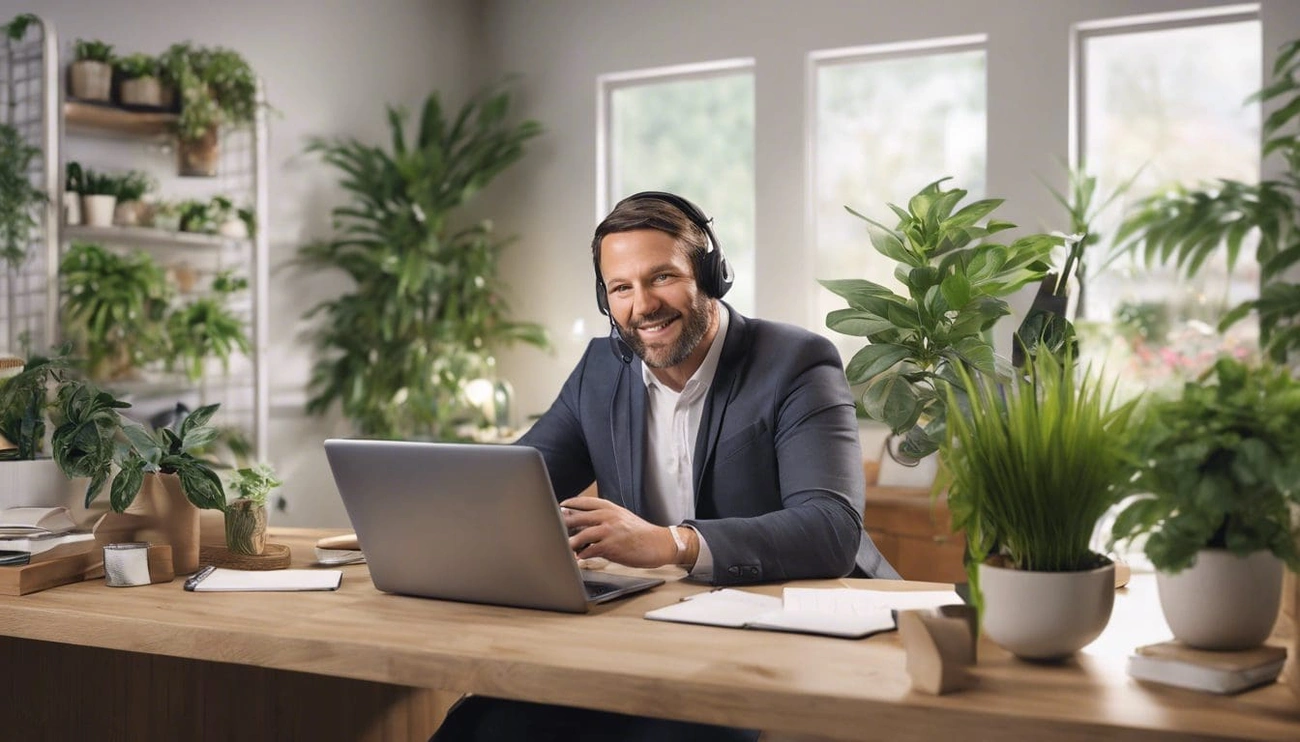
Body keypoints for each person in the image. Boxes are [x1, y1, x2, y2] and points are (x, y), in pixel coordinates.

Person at [432, 191, 898, 742]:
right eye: (621, 288)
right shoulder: (601, 370)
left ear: (709, 274)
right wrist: (421, 518)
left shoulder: (795, 362)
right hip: (660, 633)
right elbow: (514, 485)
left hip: (793, 628)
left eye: (661, 277)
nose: (643, 305)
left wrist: (671, 544)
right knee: (482, 726)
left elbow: (830, 529)